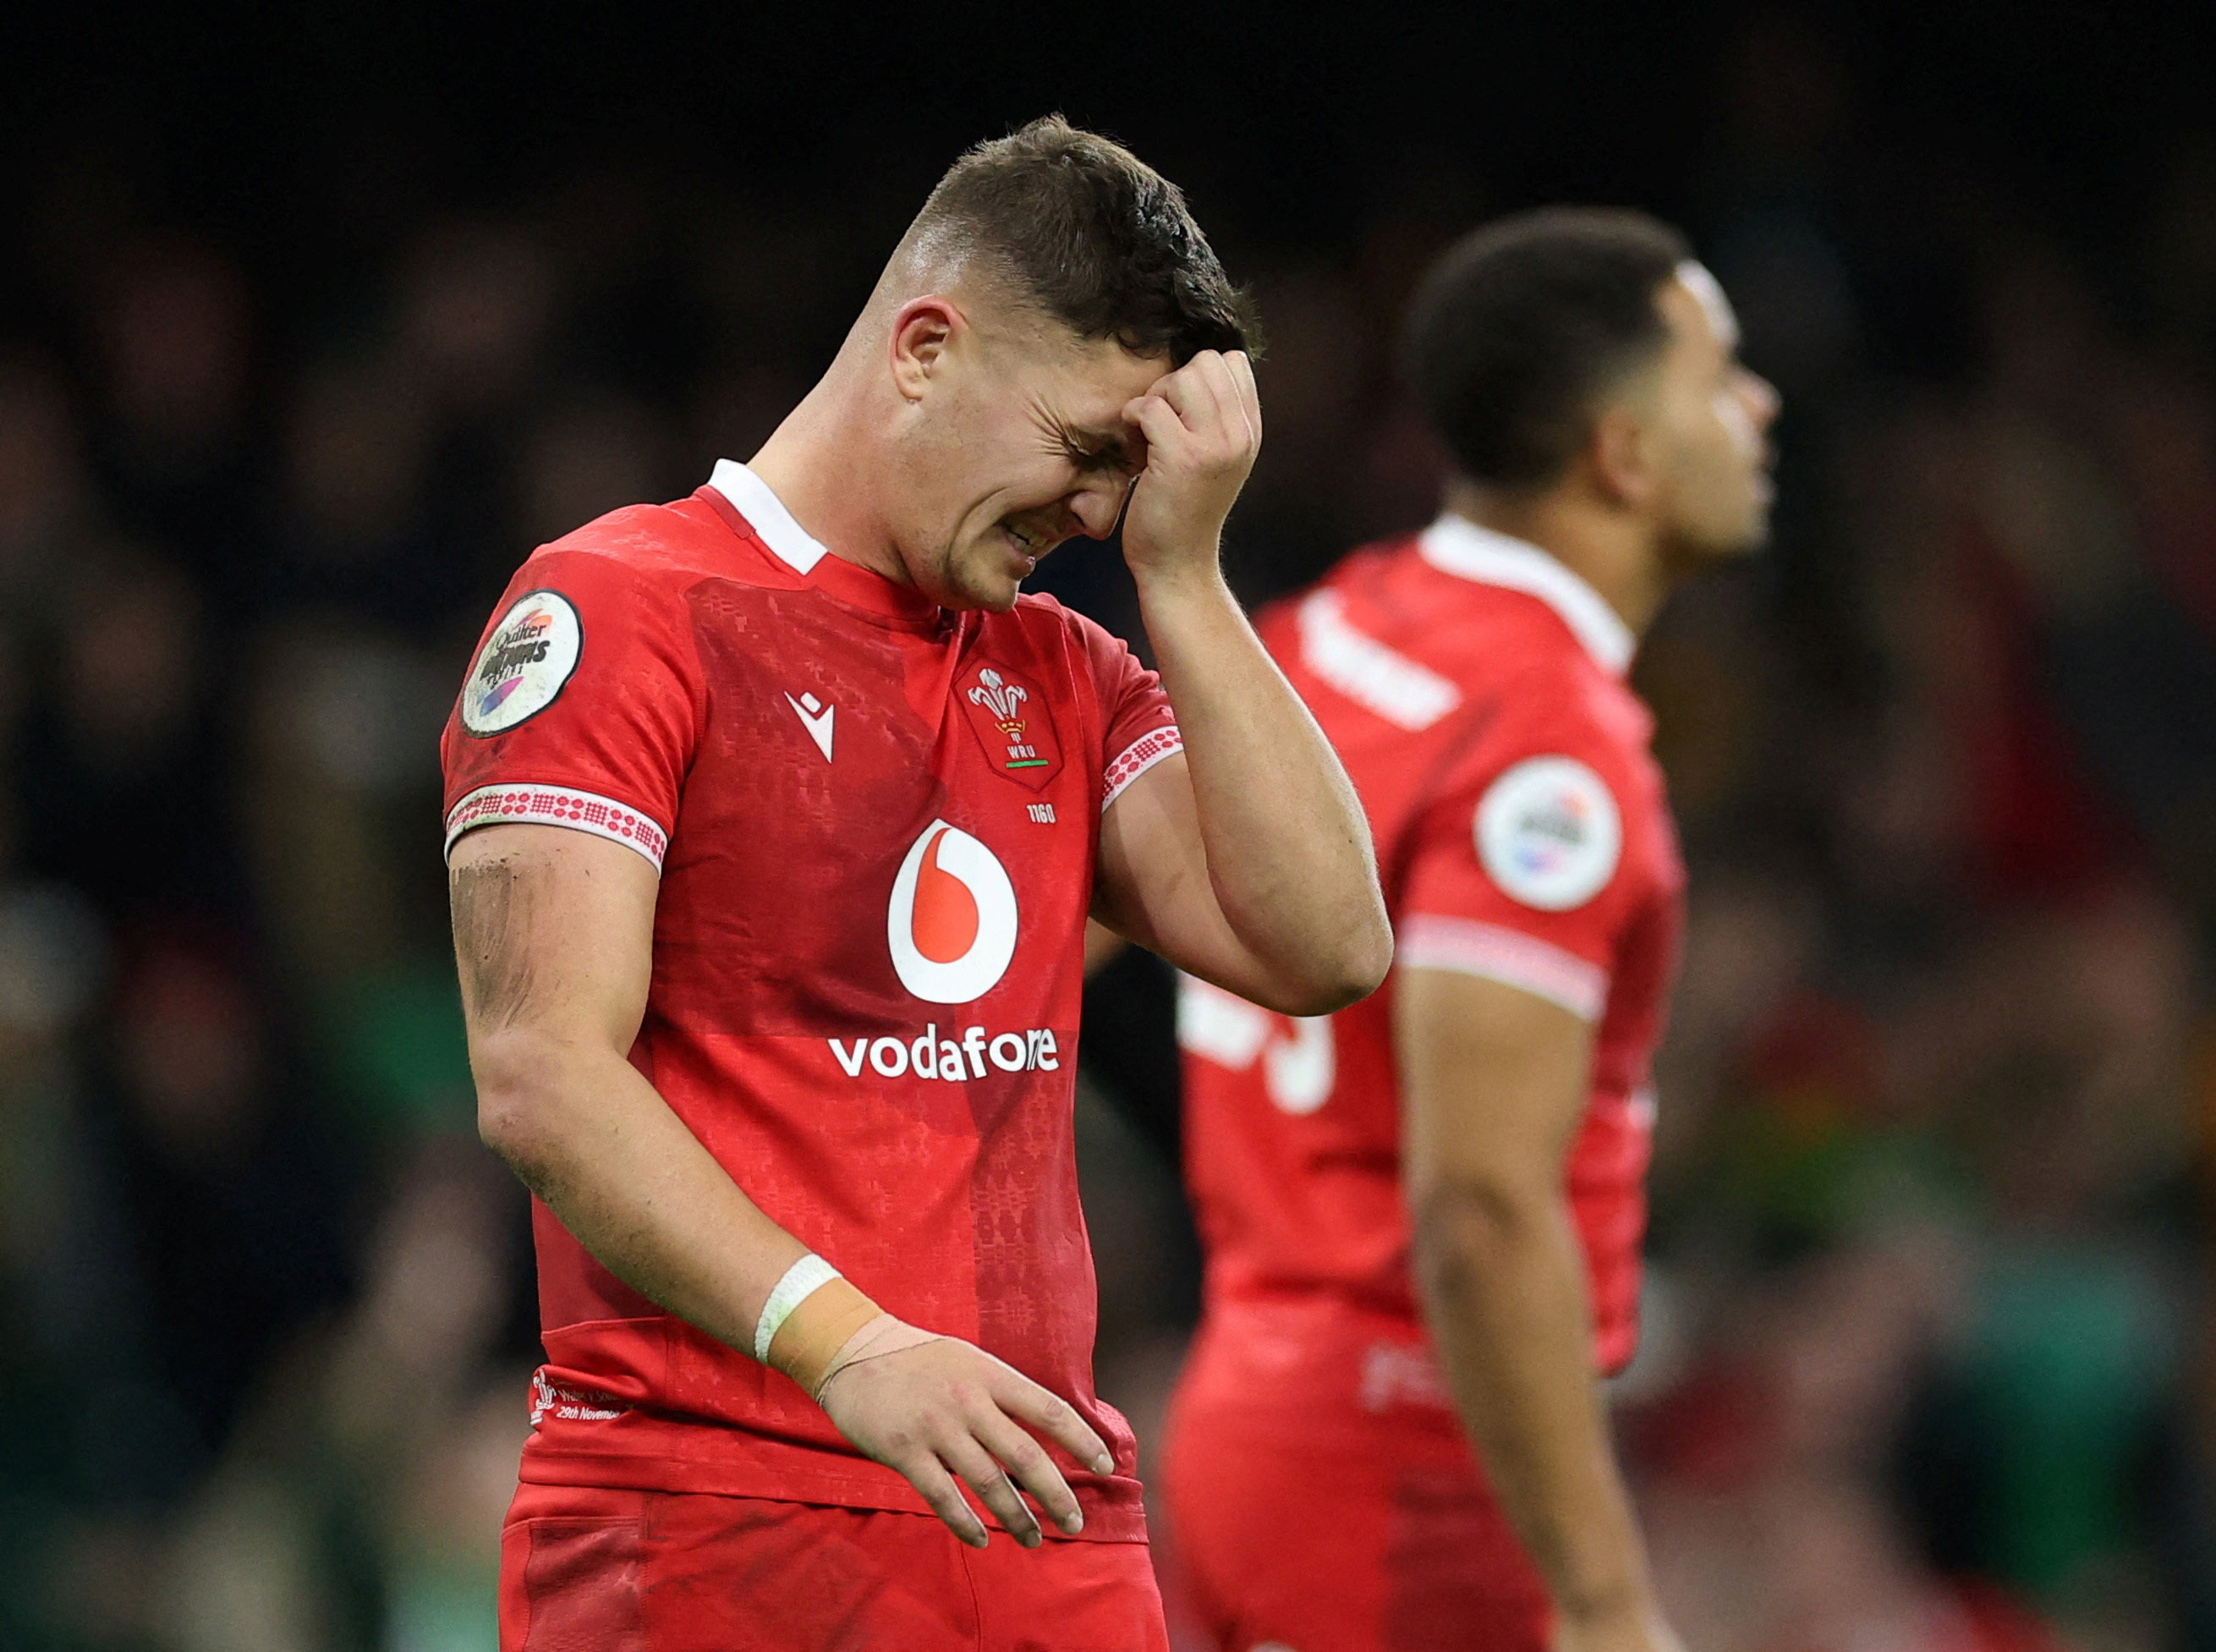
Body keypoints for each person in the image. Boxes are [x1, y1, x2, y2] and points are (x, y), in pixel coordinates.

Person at [439, 118, 1390, 1651]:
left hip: (1038, 1508)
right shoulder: (616, 607)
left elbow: (1327, 943)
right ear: (926, 347)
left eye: (1132, 476)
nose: (1096, 511)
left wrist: (1189, 577)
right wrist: (853, 1348)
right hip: (712, 1511)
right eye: (1089, 451)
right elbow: (541, 1072)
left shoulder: (1065, 669)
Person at [1163, 208, 1779, 1651]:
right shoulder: (1548, 752)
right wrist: (1605, 1596)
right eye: (1717, 373)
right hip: (1411, 1467)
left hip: (1247, 1400)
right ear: (1620, 453)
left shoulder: (1326, 632)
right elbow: (1481, 1207)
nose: (1757, 407)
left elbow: (1070, 937)